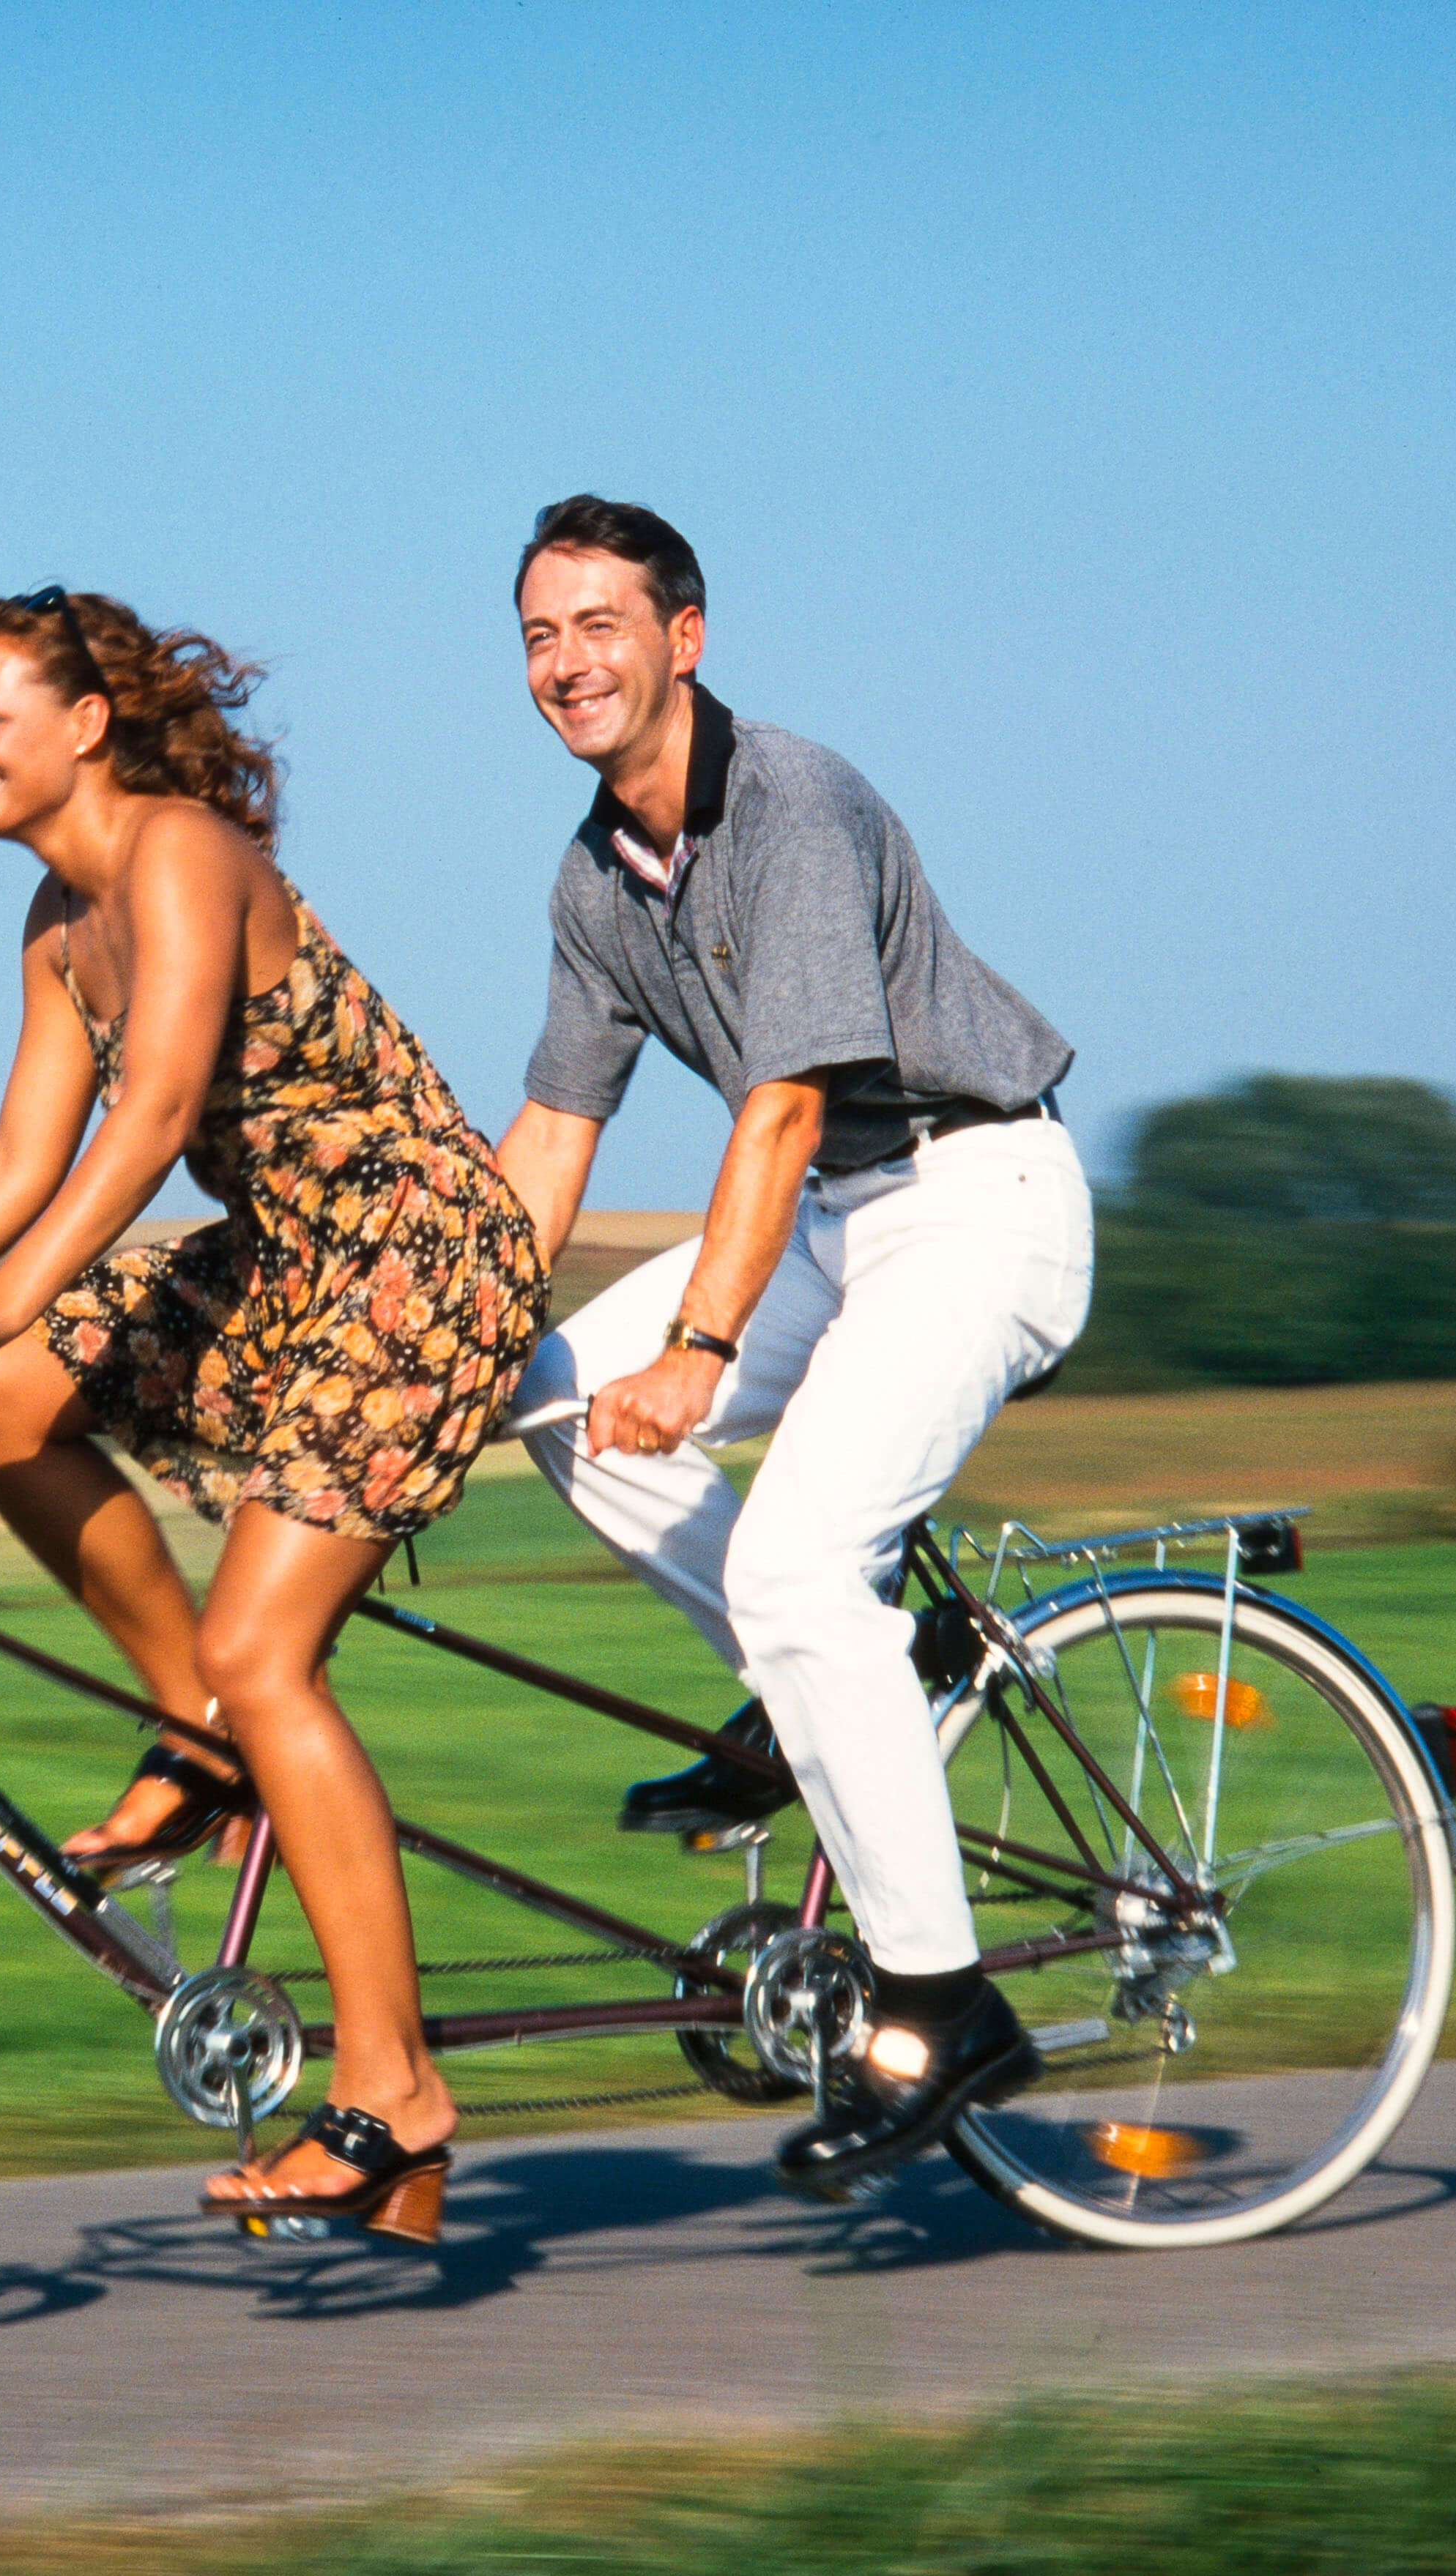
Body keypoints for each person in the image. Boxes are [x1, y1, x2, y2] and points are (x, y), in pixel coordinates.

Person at [0, 586, 546, 2238]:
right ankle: (201, 1736)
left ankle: (393, 2088)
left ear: (84, 725)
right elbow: (14, 1160)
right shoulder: (58, 925)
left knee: (269, 1648)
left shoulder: (182, 855)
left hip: (416, 1259)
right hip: (285, 1257)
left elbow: (151, 1119)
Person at [486, 498, 1093, 2195]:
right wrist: (439, 1341)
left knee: (796, 1556)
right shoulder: (593, 875)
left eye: (598, 623)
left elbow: (784, 1099)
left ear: (684, 636)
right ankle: (816, 1686)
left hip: (978, 1204)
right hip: (838, 1221)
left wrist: (695, 1342)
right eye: (537, 635)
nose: (564, 662)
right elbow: (549, 1131)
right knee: (543, 1400)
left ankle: (938, 2000)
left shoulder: (792, 802)